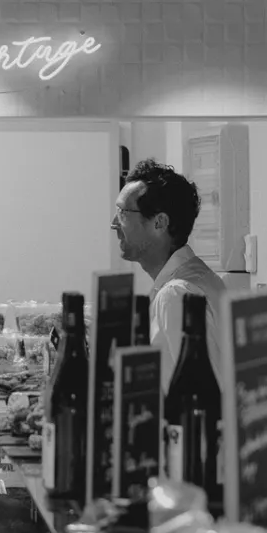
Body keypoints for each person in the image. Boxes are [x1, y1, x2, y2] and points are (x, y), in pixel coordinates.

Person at [111, 158, 227, 387]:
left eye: (124, 213)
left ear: (160, 223)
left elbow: (206, 394)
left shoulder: (175, 295)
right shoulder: (201, 278)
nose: (114, 223)